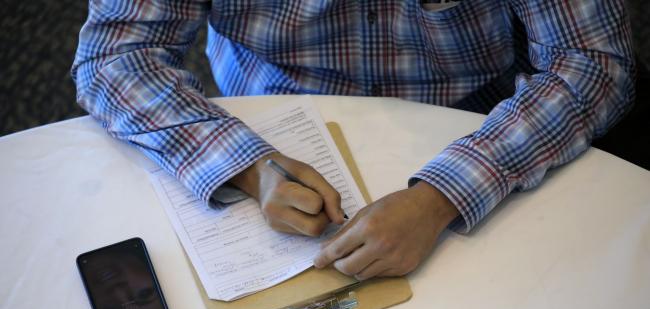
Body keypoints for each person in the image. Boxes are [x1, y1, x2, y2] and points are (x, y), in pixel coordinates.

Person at [72, 0, 635, 281]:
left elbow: (593, 63)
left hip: (474, 118)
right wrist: (247, 166)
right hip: (270, 115)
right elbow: (114, 56)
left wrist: (442, 196)